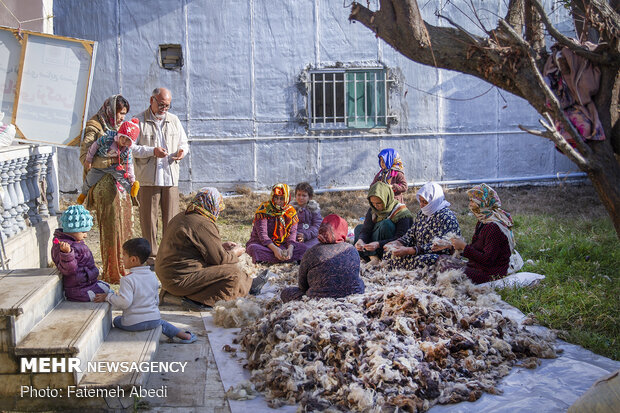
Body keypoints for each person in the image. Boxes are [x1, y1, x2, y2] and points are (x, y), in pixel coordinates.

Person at [156, 187, 252, 309]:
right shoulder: (202, 223)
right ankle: (193, 300)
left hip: (168, 278)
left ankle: (248, 284)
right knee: (233, 273)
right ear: (212, 205)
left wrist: (221, 247)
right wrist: (234, 252)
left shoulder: (182, 216)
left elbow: (193, 248)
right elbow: (219, 260)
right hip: (178, 280)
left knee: (229, 268)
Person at [94, 238, 197, 344]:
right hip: (154, 320)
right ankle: (185, 336)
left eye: (123, 255)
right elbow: (156, 300)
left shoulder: (127, 279)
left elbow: (124, 302)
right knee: (162, 323)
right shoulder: (152, 276)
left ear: (133, 259)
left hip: (133, 324)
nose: (121, 258)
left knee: (117, 320)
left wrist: (108, 296)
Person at [79, 95, 133, 284]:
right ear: (111, 111)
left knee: (124, 226)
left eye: (125, 115)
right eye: (120, 114)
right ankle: (112, 271)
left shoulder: (120, 129)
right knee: (111, 229)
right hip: (104, 187)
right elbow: (85, 156)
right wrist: (110, 162)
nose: (122, 119)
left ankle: (126, 267)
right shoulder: (94, 127)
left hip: (120, 185)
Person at [133, 87, 190, 266]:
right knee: (148, 220)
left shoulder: (174, 120)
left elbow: (184, 143)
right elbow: (130, 148)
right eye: (162, 105)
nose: (164, 109)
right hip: (148, 178)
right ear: (152, 100)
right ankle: (151, 258)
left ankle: (169, 256)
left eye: (168, 106)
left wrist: (182, 152)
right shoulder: (138, 121)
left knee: (172, 219)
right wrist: (152, 151)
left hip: (170, 177)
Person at [441, 184, 517, 284]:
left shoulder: (493, 227)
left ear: (482, 203)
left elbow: (487, 260)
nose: (470, 204)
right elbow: (477, 250)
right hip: (479, 266)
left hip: (491, 272)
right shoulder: (483, 221)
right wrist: (451, 247)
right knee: (442, 260)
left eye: (473, 201)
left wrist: (464, 246)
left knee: (450, 271)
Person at [281, 214, 365, 302]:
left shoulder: (312, 251)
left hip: (318, 299)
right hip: (353, 294)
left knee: (286, 293)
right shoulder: (351, 249)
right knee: (360, 282)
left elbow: (302, 286)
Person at [384, 182, 461, 270]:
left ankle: (406, 267)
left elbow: (442, 246)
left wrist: (410, 250)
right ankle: (406, 267)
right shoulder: (422, 213)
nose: (421, 205)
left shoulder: (447, 218)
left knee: (429, 260)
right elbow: (411, 234)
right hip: (418, 252)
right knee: (389, 253)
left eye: (425, 202)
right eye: (420, 201)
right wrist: (398, 243)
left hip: (437, 255)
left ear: (434, 200)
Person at [51, 205, 110, 301]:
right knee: (103, 294)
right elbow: (69, 270)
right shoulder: (64, 246)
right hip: (77, 288)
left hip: (88, 282)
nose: (85, 235)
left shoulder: (76, 241)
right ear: (71, 230)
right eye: (83, 232)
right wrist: (67, 254)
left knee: (106, 289)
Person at [78, 118, 141, 205]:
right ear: (119, 134)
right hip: (99, 165)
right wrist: (89, 160)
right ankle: (83, 195)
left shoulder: (127, 150)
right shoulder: (108, 139)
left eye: (127, 140)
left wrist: (132, 180)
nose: (124, 141)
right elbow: (94, 146)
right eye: (122, 137)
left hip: (114, 167)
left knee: (123, 179)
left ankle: (132, 191)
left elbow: (129, 165)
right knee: (89, 180)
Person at [354, 182, 414, 264]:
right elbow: (366, 230)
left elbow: (402, 238)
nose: (375, 206)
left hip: (389, 246)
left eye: (379, 203)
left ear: (387, 198)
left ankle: (376, 256)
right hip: (375, 245)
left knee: (386, 224)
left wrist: (378, 244)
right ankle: (373, 257)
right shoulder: (373, 210)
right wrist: (361, 240)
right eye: (372, 203)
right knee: (359, 228)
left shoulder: (401, 212)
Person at [246, 183, 307, 263]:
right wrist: (275, 249)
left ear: (286, 198)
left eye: (281, 198)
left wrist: (290, 249)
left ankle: (279, 258)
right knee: (253, 249)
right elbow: (262, 235)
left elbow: (292, 233)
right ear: (272, 197)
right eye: (276, 198)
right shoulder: (263, 210)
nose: (278, 201)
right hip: (264, 245)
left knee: (303, 248)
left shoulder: (291, 212)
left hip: (283, 245)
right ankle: (282, 258)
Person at [291, 182, 322, 249]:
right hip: (294, 237)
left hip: (311, 237)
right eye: (298, 195)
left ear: (309, 197)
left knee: (313, 248)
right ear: (295, 195)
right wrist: (295, 235)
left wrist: (306, 235)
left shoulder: (314, 209)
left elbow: (317, 226)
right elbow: (288, 225)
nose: (301, 198)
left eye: (304, 195)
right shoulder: (291, 210)